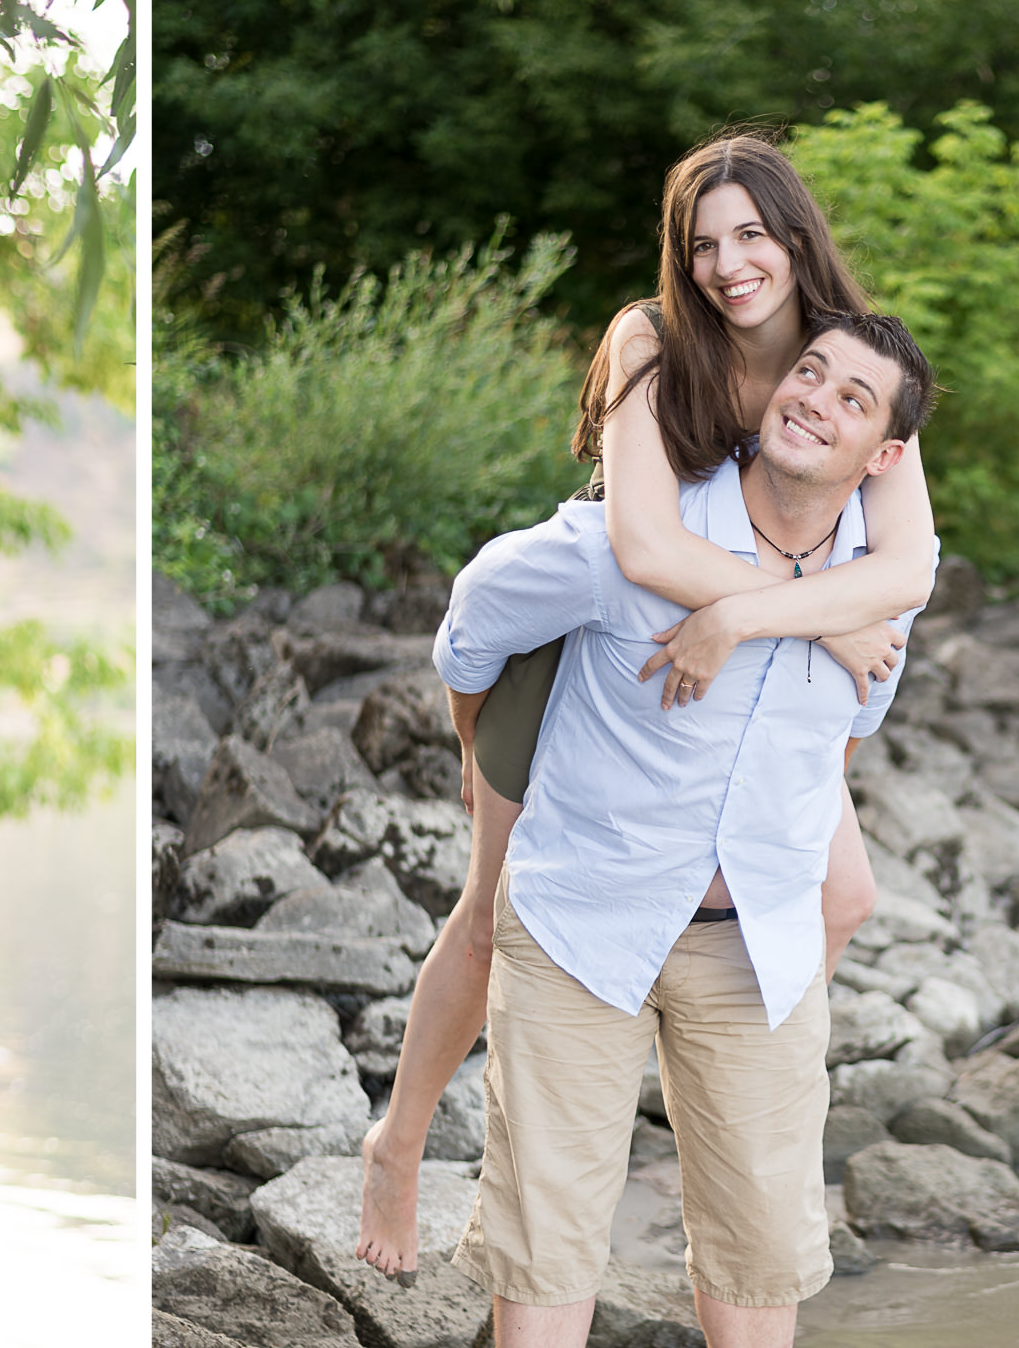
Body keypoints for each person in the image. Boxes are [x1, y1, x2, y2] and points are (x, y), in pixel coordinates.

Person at [426, 312, 940, 1348]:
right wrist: (496, 758)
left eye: (855, 395)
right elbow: (474, 620)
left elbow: (839, 745)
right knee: (548, 1216)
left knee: (765, 1224)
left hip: (754, 940)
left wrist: (780, 626)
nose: (818, 397)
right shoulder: (634, 538)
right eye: (808, 371)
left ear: (885, 452)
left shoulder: (874, 607)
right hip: (586, 925)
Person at [358, 130, 938, 1278]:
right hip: (603, 645)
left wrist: (813, 613)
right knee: (494, 912)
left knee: (847, 891)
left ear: (795, 236)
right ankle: (400, 1139)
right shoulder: (653, 337)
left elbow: (904, 570)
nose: (727, 265)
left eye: (750, 236)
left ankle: (715, 1113)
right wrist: (819, 604)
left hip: (755, 686)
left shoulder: (848, 358)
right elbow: (641, 540)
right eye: (703, 243)